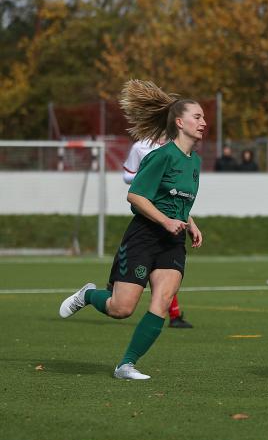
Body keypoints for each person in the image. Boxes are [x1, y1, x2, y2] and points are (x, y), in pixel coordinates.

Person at [59, 79, 204, 380]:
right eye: (197, 116)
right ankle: (88, 296)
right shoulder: (161, 156)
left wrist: (190, 223)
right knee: (121, 308)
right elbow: (135, 196)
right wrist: (165, 221)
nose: (203, 122)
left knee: (162, 301)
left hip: (172, 243)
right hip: (144, 237)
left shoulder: (195, 162)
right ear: (180, 122)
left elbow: (177, 200)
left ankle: (126, 365)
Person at [123, 137, 193, 328]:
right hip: (148, 219)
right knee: (122, 306)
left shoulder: (180, 149)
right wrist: (149, 174)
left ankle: (175, 315)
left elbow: (178, 194)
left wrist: (189, 221)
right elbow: (127, 176)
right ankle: (113, 289)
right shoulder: (140, 147)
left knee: (167, 276)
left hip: (171, 220)